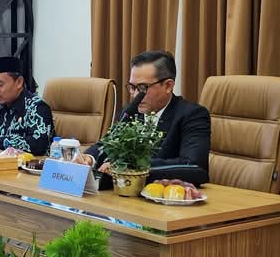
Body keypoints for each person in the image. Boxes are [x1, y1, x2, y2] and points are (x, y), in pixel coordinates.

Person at [79, 50, 211, 184]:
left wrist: (131, 166)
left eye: (143, 88)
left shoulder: (192, 115)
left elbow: (194, 166)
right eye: (132, 87)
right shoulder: (131, 111)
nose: (136, 95)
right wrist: (89, 158)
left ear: (168, 86)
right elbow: (108, 143)